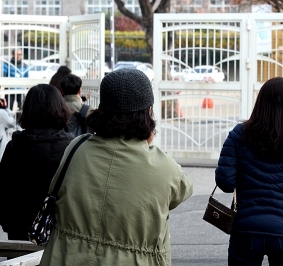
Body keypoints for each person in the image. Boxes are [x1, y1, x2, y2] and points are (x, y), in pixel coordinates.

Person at [39, 68, 193, 265]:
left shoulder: (76, 149)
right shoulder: (163, 167)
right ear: (148, 112)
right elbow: (183, 189)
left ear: (102, 110)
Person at [215, 77, 283, 266]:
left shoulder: (239, 134)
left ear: (261, 103)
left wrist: (249, 185)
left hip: (246, 231)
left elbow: (225, 182)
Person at [0, 84, 73, 241]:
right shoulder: (73, 147)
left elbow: (4, 189)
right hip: (63, 229)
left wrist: (8, 223)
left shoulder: (15, 147)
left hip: (21, 228)